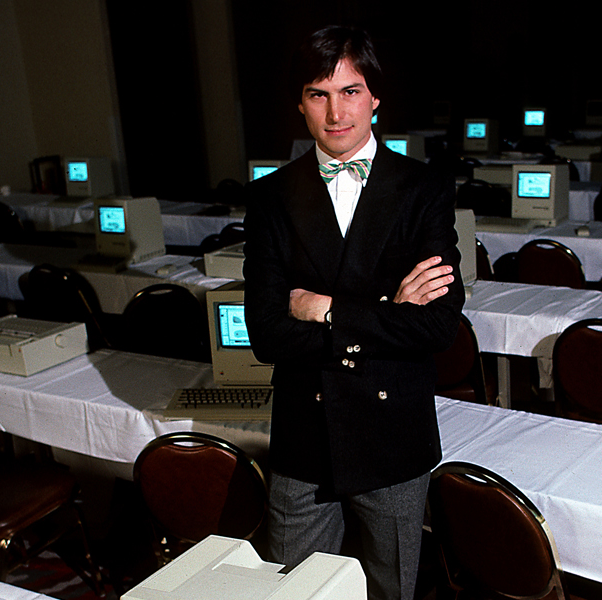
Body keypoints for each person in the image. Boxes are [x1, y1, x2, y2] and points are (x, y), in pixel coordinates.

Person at [242, 25, 465, 600]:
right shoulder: (270, 197)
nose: (336, 111)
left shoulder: (424, 188)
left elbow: (438, 326)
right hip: (304, 438)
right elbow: (267, 334)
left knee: (392, 589)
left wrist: (326, 309)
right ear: (300, 103)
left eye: (350, 91)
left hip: (393, 438)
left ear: (375, 98)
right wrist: (387, 313)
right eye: (319, 94)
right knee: (293, 590)